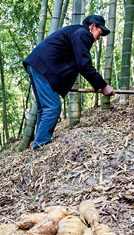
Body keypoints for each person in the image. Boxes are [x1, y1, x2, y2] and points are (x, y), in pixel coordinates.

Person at [23, 14, 115, 150]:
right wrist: (103, 85)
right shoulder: (83, 34)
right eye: (99, 33)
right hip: (42, 66)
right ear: (93, 26)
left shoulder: (75, 32)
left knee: (44, 108)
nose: (98, 38)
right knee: (52, 107)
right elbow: (84, 65)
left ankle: (39, 143)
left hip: (37, 64)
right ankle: (40, 145)